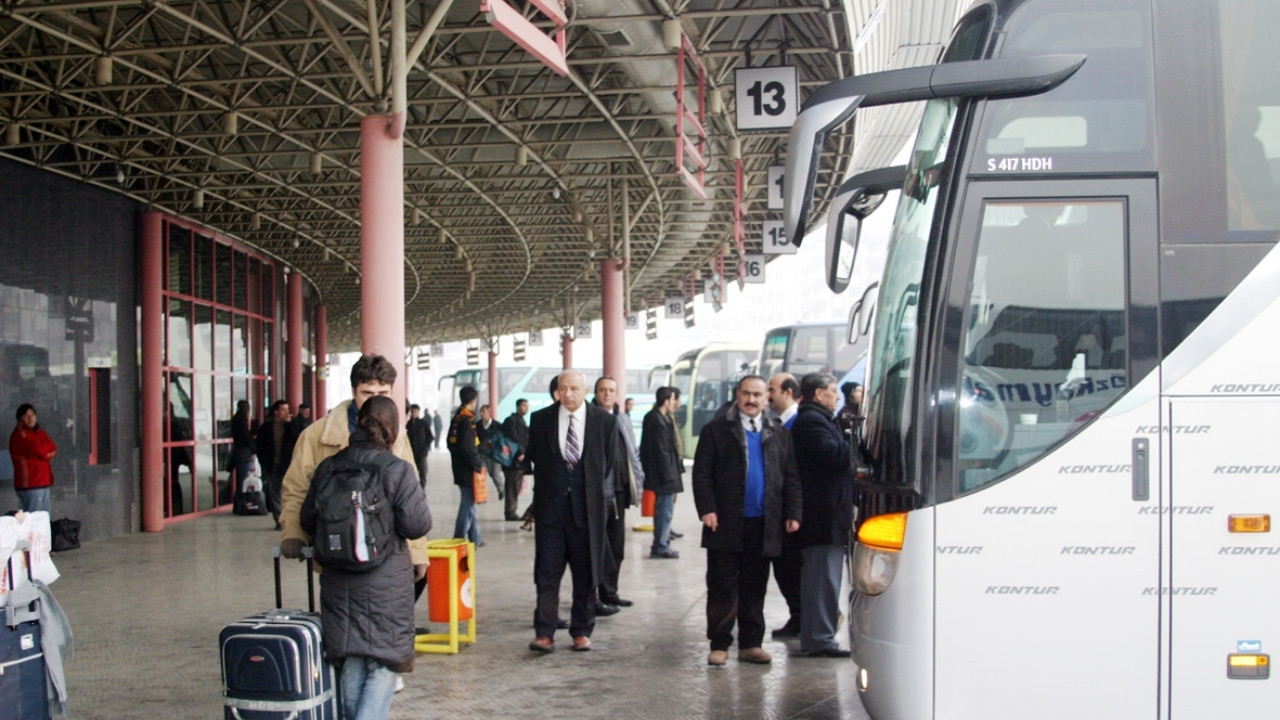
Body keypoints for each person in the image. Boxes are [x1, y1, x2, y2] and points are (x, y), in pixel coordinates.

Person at [299, 396, 431, 720]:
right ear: (394, 429)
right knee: (384, 662)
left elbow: (307, 520)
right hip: (385, 582)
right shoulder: (396, 469)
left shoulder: (328, 466)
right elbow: (417, 525)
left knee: (353, 657)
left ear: (358, 423)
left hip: (337, 580)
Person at [278, 355, 427, 580]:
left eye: (383, 394)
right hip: (337, 550)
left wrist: (417, 551)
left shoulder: (399, 436)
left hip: (389, 552)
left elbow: (410, 498)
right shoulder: (316, 436)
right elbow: (296, 488)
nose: (373, 401)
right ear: (353, 390)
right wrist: (294, 532)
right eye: (367, 393)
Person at [692, 375, 802, 667]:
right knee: (722, 586)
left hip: (764, 525)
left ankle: (751, 644)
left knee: (755, 587)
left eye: (757, 394)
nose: (751, 400)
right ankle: (719, 644)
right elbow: (701, 474)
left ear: (767, 397)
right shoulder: (716, 430)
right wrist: (707, 509)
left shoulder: (779, 432)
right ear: (737, 395)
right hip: (725, 523)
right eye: (746, 394)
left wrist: (793, 513)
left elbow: (790, 476)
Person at [525, 370, 619, 654]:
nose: (568, 394)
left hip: (588, 512)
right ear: (556, 391)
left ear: (585, 390)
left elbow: (607, 465)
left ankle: (581, 631)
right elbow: (536, 461)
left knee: (586, 573)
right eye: (563, 389)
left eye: (574, 388)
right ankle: (544, 632)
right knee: (547, 572)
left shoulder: (604, 422)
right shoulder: (540, 420)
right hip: (551, 511)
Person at [791, 372, 855, 658]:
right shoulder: (811, 422)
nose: (838, 395)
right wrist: (853, 441)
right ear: (818, 394)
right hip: (822, 515)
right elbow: (835, 457)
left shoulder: (819, 420)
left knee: (825, 577)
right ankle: (819, 639)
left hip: (828, 514)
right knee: (822, 578)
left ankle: (820, 635)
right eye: (833, 390)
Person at [593, 376, 644, 611]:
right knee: (597, 547)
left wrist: (639, 483)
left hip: (619, 491)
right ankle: (595, 595)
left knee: (616, 546)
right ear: (595, 393)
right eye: (602, 390)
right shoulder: (589, 418)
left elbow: (632, 452)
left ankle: (610, 592)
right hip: (597, 494)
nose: (606, 394)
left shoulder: (622, 419)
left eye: (611, 390)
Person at [765, 373, 804, 638]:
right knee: (783, 568)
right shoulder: (777, 423)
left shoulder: (799, 423)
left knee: (791, 568)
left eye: (772, 390)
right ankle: (798, 615)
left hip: (792, 510)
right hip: (776, 508)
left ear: (788, 392)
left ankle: (803, 616)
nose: (768, 395)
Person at [640, 386, 683, 559]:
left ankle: (662, 543)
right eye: (673, 399)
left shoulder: (659, 418)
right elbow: (662, 451)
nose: (675, 402)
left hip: (663, 473)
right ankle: (661, 546)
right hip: (663, 475)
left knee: (664, 511)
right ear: (666, 400)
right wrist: (669, 475)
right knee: (664, 511)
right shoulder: (657, 420)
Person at [448, 387, 485, 547]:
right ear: (473, 400)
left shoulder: (457, 417)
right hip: (467, 469)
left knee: (469, 501)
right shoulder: (466, 420)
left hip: (459, 466)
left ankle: (475, 538)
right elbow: (468, 447)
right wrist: (477, 464)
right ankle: (459, 537)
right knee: (467, 503)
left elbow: (451, 443)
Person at [9, 404, 57, 513]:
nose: (31, 418)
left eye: (33, 415)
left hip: (42, 481)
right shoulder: (20, 434)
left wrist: (44, 453)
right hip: (31, 484)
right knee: (33, 519)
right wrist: (45, 452)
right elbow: (37, 449)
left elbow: (53, 447)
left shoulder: (38, 432)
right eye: (27, 416)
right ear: (20, 418)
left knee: (43, 519)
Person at [255, 400, 292, 529]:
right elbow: (259, 446)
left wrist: (290, 425)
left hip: (287, 464)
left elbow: (299, 439)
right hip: (272, 465)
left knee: (288, 493)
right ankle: (280, 520)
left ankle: (289, 520)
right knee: (275, 493)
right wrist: (264, 463)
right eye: (283, 410)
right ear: (276, 412)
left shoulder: (290, 426)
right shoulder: (266, 427)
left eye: (287, 409)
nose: (287, 412)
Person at [501, 399, 530, 521]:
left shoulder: (520, 421)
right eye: (523, 406)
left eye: (527, 406)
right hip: (512, 460)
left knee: (515, 486)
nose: (526, 408)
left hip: (518, 461)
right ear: (517, 406)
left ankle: (512, 510)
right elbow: (513, 439)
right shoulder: (511, 421)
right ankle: (510, 512)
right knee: (512, 486)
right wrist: (520, 453)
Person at [475, 405, 505, 500]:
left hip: (494, 455)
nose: (481, 414)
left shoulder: (497, 426)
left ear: (489, 413)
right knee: (481, 473)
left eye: (483, 412)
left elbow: (502, 439)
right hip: (482, 454)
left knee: (495, 475)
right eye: (481, 412)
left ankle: (502, 490)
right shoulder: (478, 425)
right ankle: (481, 494)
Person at [229, 400, 256, 494]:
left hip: (238, 452)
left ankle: (239, 504)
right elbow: (246, 438)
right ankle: (241, 504)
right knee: (244, 482)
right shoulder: (241, 421)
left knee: (241, 480)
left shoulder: (235, 419)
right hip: (244, 454)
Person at [405, 404, 433, 488]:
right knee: (411, 471)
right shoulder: (408, 424)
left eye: (415, 412)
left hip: (421, 452)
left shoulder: (423, 423)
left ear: (418, 412)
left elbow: (430, 437)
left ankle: (422, 488)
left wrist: (426, 448)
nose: (414, 413)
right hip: (410, 452)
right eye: (412, 412)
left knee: (423, 472)